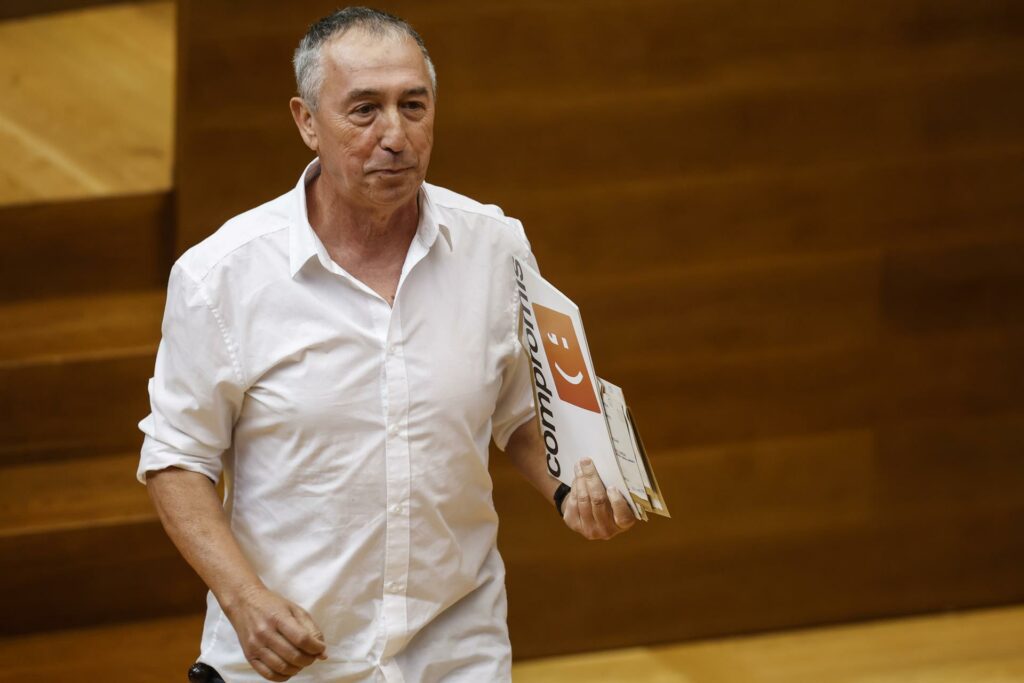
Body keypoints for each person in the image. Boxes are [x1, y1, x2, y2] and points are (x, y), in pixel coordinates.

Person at [138, 7, 636, 682]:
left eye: (413, 106)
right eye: (365, 110)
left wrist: (572, 490)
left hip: (457, 651)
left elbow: (523, 412)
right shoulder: (220, 275)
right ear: (307, 122)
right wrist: (244, 599)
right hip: (289, 660)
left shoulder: (495, 247)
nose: (395, 136)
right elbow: (176, 459)